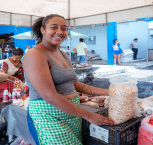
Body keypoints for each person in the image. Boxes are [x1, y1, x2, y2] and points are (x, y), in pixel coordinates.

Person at [23, 14, 114, 145]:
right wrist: (89, 115)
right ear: (43, 30)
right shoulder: (35, 55)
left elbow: (77, 85)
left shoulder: (63, 54)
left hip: (71, 113)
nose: (59, 32)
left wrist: (109, 92)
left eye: (64, 28)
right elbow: (49, 96)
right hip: (49, 115)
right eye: (54, 27)